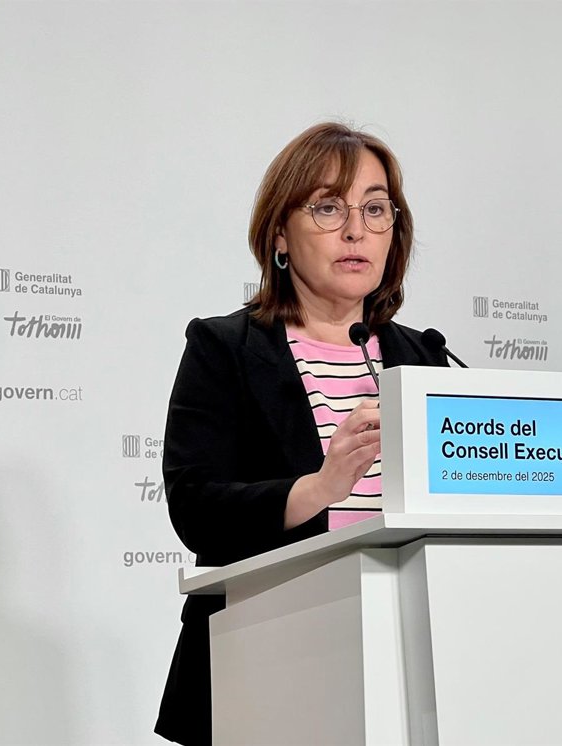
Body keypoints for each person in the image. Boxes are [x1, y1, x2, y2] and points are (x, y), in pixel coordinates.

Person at [153, 122, 447, 745]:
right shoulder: (224, 348)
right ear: (280, 234)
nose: (355, 230)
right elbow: (196, 508)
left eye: (375, 209)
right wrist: (319, 488)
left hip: (415, 665)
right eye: (328, 208)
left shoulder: (423, 357)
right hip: (265, 662)